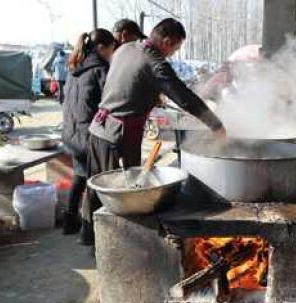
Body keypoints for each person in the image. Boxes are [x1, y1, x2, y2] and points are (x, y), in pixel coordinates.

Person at [81, 18, 226, 246]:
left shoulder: (126, 48)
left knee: (96, 186)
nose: (173, 53)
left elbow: (126, 81)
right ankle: (118, 245)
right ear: (167, 41)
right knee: (124, 193)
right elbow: (183, 96)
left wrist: (148, 95)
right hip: (119, 134)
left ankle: (87, 236)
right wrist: (216, 124)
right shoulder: (156, 62)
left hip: (98, 128)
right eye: (175, 48)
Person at [61, 29, 116, 235]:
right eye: (111, 49)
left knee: (79, 176)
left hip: (71, 133)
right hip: (88, 135)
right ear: (101, 48)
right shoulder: (100, 69)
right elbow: (110, 101)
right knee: (94, 181)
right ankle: (87, 231)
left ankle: (69, 222)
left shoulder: (74, 67)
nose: (111, 54)